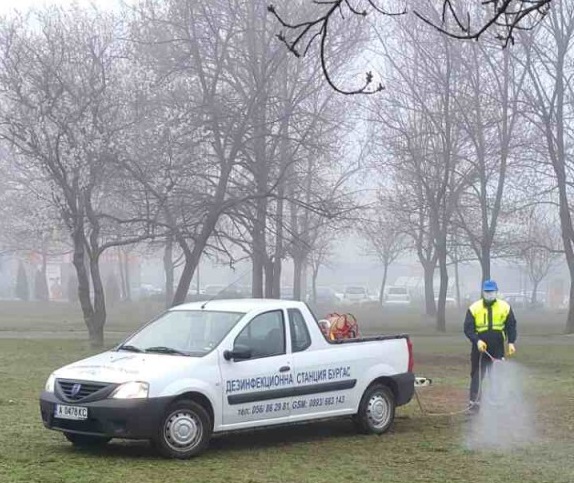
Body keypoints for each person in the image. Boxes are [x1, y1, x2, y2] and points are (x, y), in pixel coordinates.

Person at [463, 279, 517, 412]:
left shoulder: (505, 307)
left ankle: (497, 403)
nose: (489, 294)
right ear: (483, 292)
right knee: (477, 375)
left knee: (496, 375)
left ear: (496, 292)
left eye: (492, 291)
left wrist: (511, 342)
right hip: (479, 349)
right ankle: (474, 404)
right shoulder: (474, 308)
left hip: (497, 348)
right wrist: (477, 341)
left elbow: (511, 326)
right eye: (487, 292)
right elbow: (468, 328)